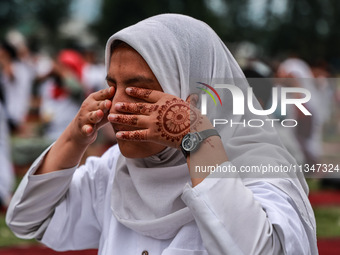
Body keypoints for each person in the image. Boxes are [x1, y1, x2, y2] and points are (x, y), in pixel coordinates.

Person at [6, 14, 317, 254]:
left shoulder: (258, 167)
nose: (116, 107)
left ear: (193, 98)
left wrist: (196, 139)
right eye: (113, 87)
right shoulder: (117, 169)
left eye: (139, 90)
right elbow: (27, 219)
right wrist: (76, 136)